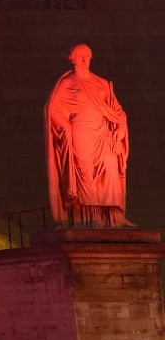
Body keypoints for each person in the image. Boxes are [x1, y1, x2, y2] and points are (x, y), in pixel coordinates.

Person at [46, 43, 132, 227]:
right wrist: (66, 127)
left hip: (103, 131)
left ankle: (114, 215)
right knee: (85, 172)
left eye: (87, 56)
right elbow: (52, 109)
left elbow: (117, 111)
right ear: (72, 58)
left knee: (110, 168)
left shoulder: (101, 83)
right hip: (81, 131)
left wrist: (120, 127)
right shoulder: (67, 82)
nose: (84, 59)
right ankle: (90, 216)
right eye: (80, 56)